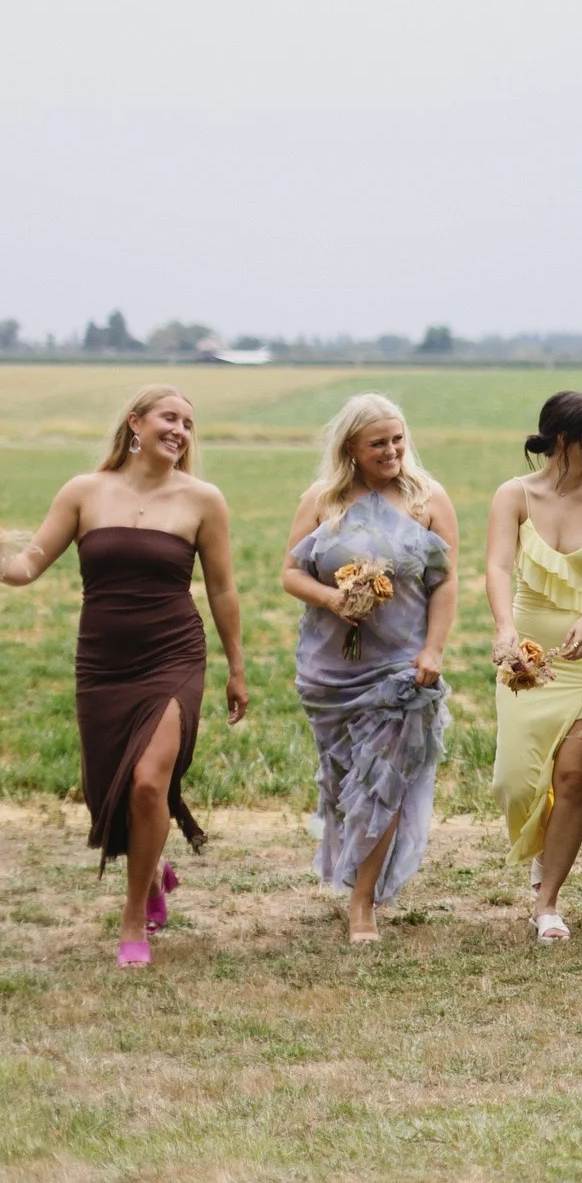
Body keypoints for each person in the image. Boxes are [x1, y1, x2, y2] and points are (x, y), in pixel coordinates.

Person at [1, 386, 245, 968]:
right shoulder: (85, 492)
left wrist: (237, 668)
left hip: (173, 656)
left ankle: (134, 914)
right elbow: (27, 565)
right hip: (103, 662)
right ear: (136, 423)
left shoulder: (203, 500)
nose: (181, 429)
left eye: (189, 422)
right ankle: (154, 869)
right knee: (106, 786)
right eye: (169, 417)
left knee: (146, 783)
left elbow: (222, 589)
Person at [282, 393, 458, 944]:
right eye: (378, 443)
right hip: (329, 670)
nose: (392, 451)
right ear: (352, 449)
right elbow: (290, 574)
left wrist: (433, 651)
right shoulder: (322, 500)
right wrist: (332, 597)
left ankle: (363, 904)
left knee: (385, 781)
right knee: (343, 787)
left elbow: (445, 581)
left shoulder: (427, 499)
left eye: (398, 439)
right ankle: (352, 868)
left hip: (401, 668)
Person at [483, 391, 582, 943]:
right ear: (564, 437)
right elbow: (497, 565)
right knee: (515, 784)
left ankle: (548, 901)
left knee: (575, 776)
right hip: (528, 663)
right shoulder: (514, 494)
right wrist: (505, 630)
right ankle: (539, 852)